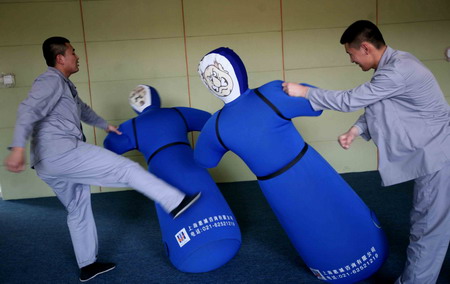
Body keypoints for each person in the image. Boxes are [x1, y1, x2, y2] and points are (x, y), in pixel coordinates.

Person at [3, 36, 201, 282]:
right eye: (73, 52)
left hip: (47, 164)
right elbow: (28, 110)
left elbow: (82, 108)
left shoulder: (64, 85)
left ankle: (87, 265)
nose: (77, 57)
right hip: (63, 152)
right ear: (60, 58)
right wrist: (17, 147)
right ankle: (176, 202)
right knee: (126, 169)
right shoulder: (49, 81)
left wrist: (104, 125)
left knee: (77, 208)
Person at [282, 20, 450, 284]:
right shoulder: (396, 65)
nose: (351, 60)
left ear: (366, 48)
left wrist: (305, 92)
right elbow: (379, 103)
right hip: (438, 151)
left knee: (427, 228)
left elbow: (350, 99)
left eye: (351, 54)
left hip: (440, 156)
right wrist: (356, 131)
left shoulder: (397, 71)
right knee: (433, 223)